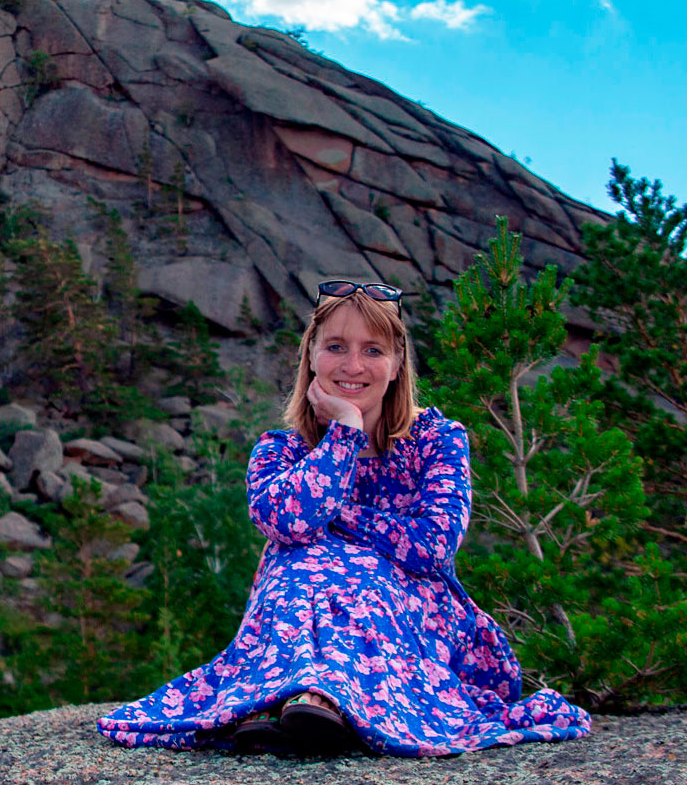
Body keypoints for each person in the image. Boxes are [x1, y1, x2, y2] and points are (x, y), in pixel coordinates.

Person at [95, 280, 593, 758]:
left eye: (373, 350)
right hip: (302, 607)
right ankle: (309, 703)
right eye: (335, 346)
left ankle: (311, 703)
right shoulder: (280, 449)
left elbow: (432, 547)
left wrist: (340, 520)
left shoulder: (438, 440)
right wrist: (345, 435)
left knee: (344, 565)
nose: (353, 365)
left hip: (413, 619)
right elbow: (285, 522)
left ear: (397, 364)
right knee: (298, 564)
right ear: (311, 356)